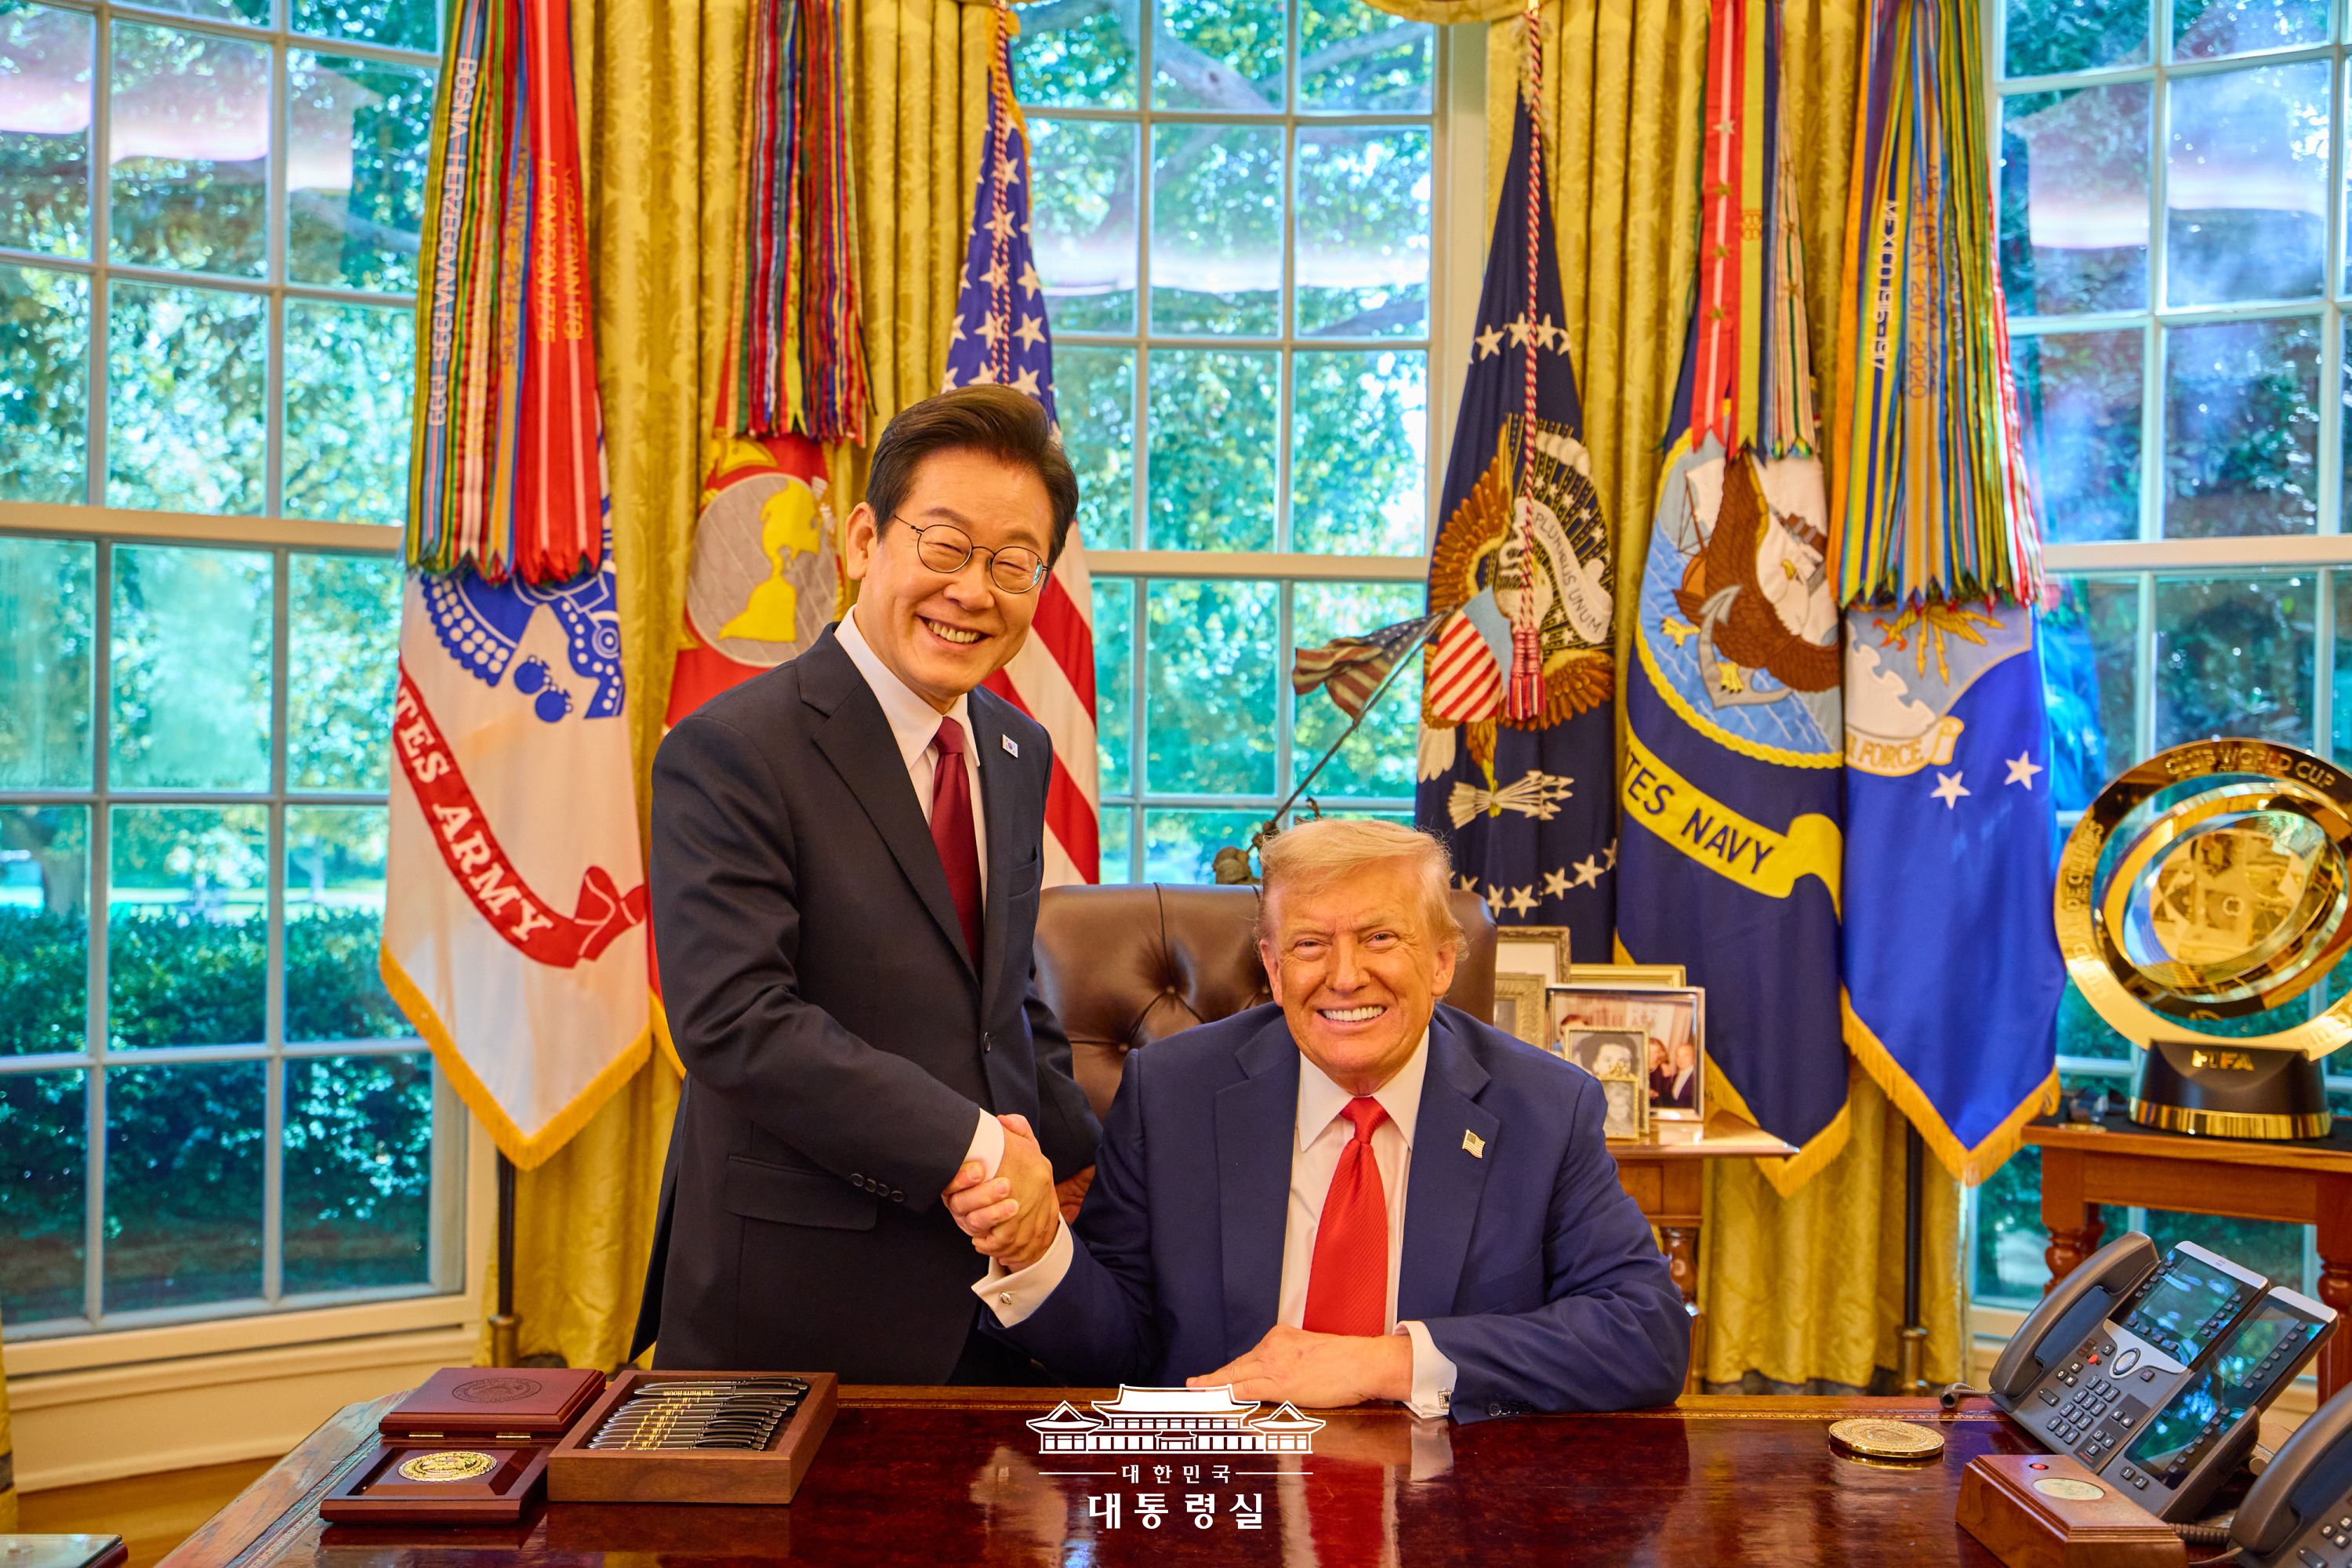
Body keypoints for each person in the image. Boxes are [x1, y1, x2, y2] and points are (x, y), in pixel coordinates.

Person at [634, 385, 1101, 1382]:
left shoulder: (1018, 745)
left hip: (990, 1301)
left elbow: (1003, 998)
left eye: (1014, 562)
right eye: (944, 544)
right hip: (796, 1301)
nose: (975, 590)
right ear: (860, 540)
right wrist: (979, 1148)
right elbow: (735, 1021)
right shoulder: (731, 749)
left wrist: (1087, 1159)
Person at [949, 818, 1689, 1421]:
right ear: (1272, 968)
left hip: (1454, 1506)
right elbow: (1123, 1343)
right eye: (1309, 944)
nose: (1343, 976)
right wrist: (1041, 1248)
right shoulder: (1171, 1093)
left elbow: (1645, 1334)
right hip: (1227, 1498)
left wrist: (1383, 1362)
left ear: (1441, 961)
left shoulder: (1543, 1108)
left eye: (1379, 938)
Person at [1664, 1038, 1700, 1109]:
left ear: (1694, 1058)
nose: (1681, 1059)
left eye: (1686, 1055)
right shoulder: (1674, 1077)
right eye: (1678, 1056)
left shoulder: (1698, 1078)